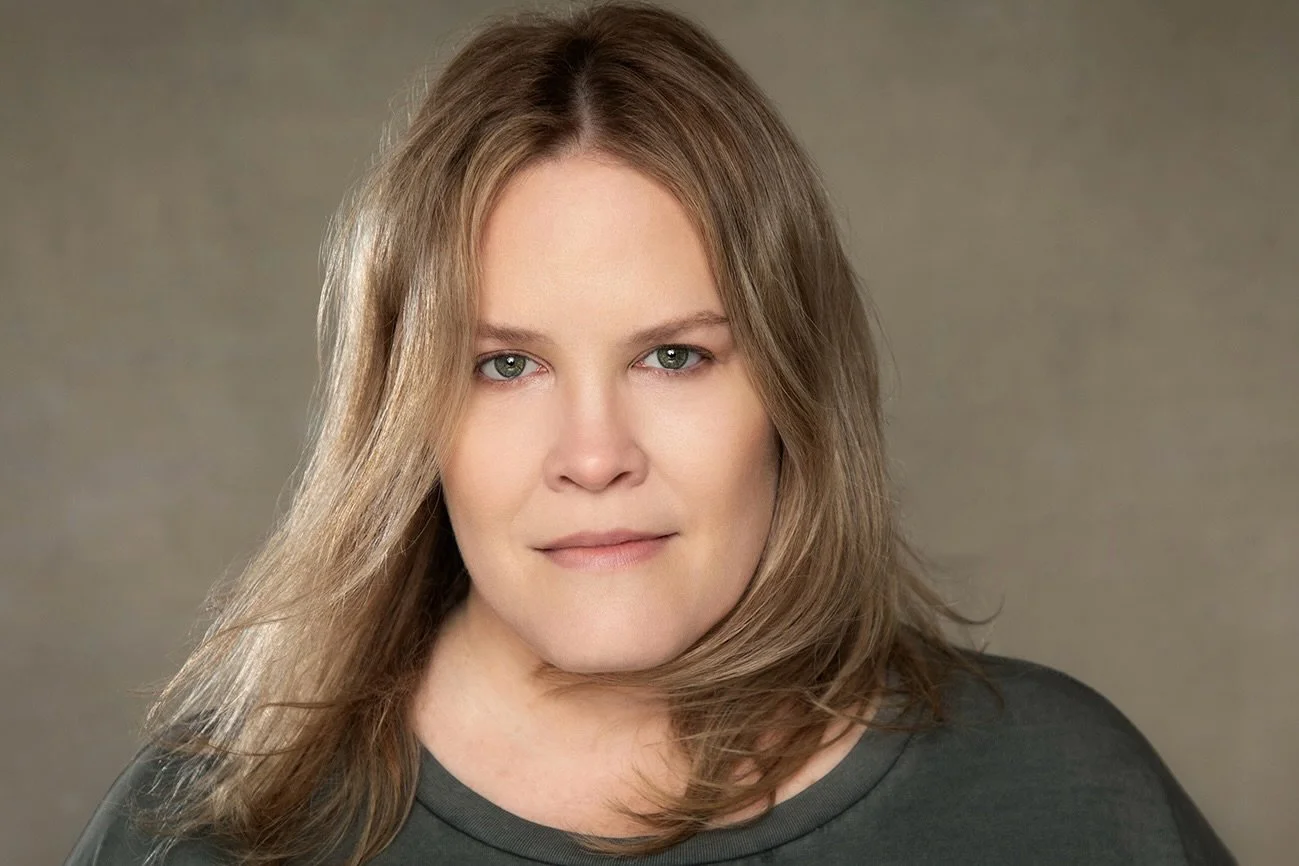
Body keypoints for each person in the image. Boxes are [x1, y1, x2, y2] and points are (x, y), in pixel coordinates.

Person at [66, 2, 1235, 864]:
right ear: (406, 411)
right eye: (505, 364)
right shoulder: (214, 825)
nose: (593, 452)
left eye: (673, 354)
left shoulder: (1064, 794)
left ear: (790, 383)